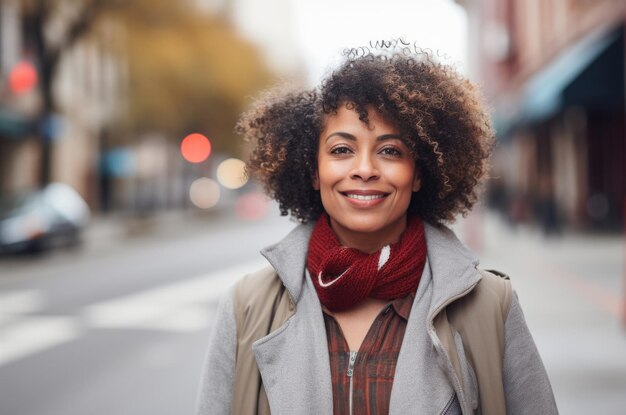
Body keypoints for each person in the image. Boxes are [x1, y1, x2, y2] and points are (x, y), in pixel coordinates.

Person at [196, 51, 558, 415]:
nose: (365, 169)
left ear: (418, 173)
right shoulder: (246, 306)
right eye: (341, 150)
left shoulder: (492, 306)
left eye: (389, 150)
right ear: (313, 171)